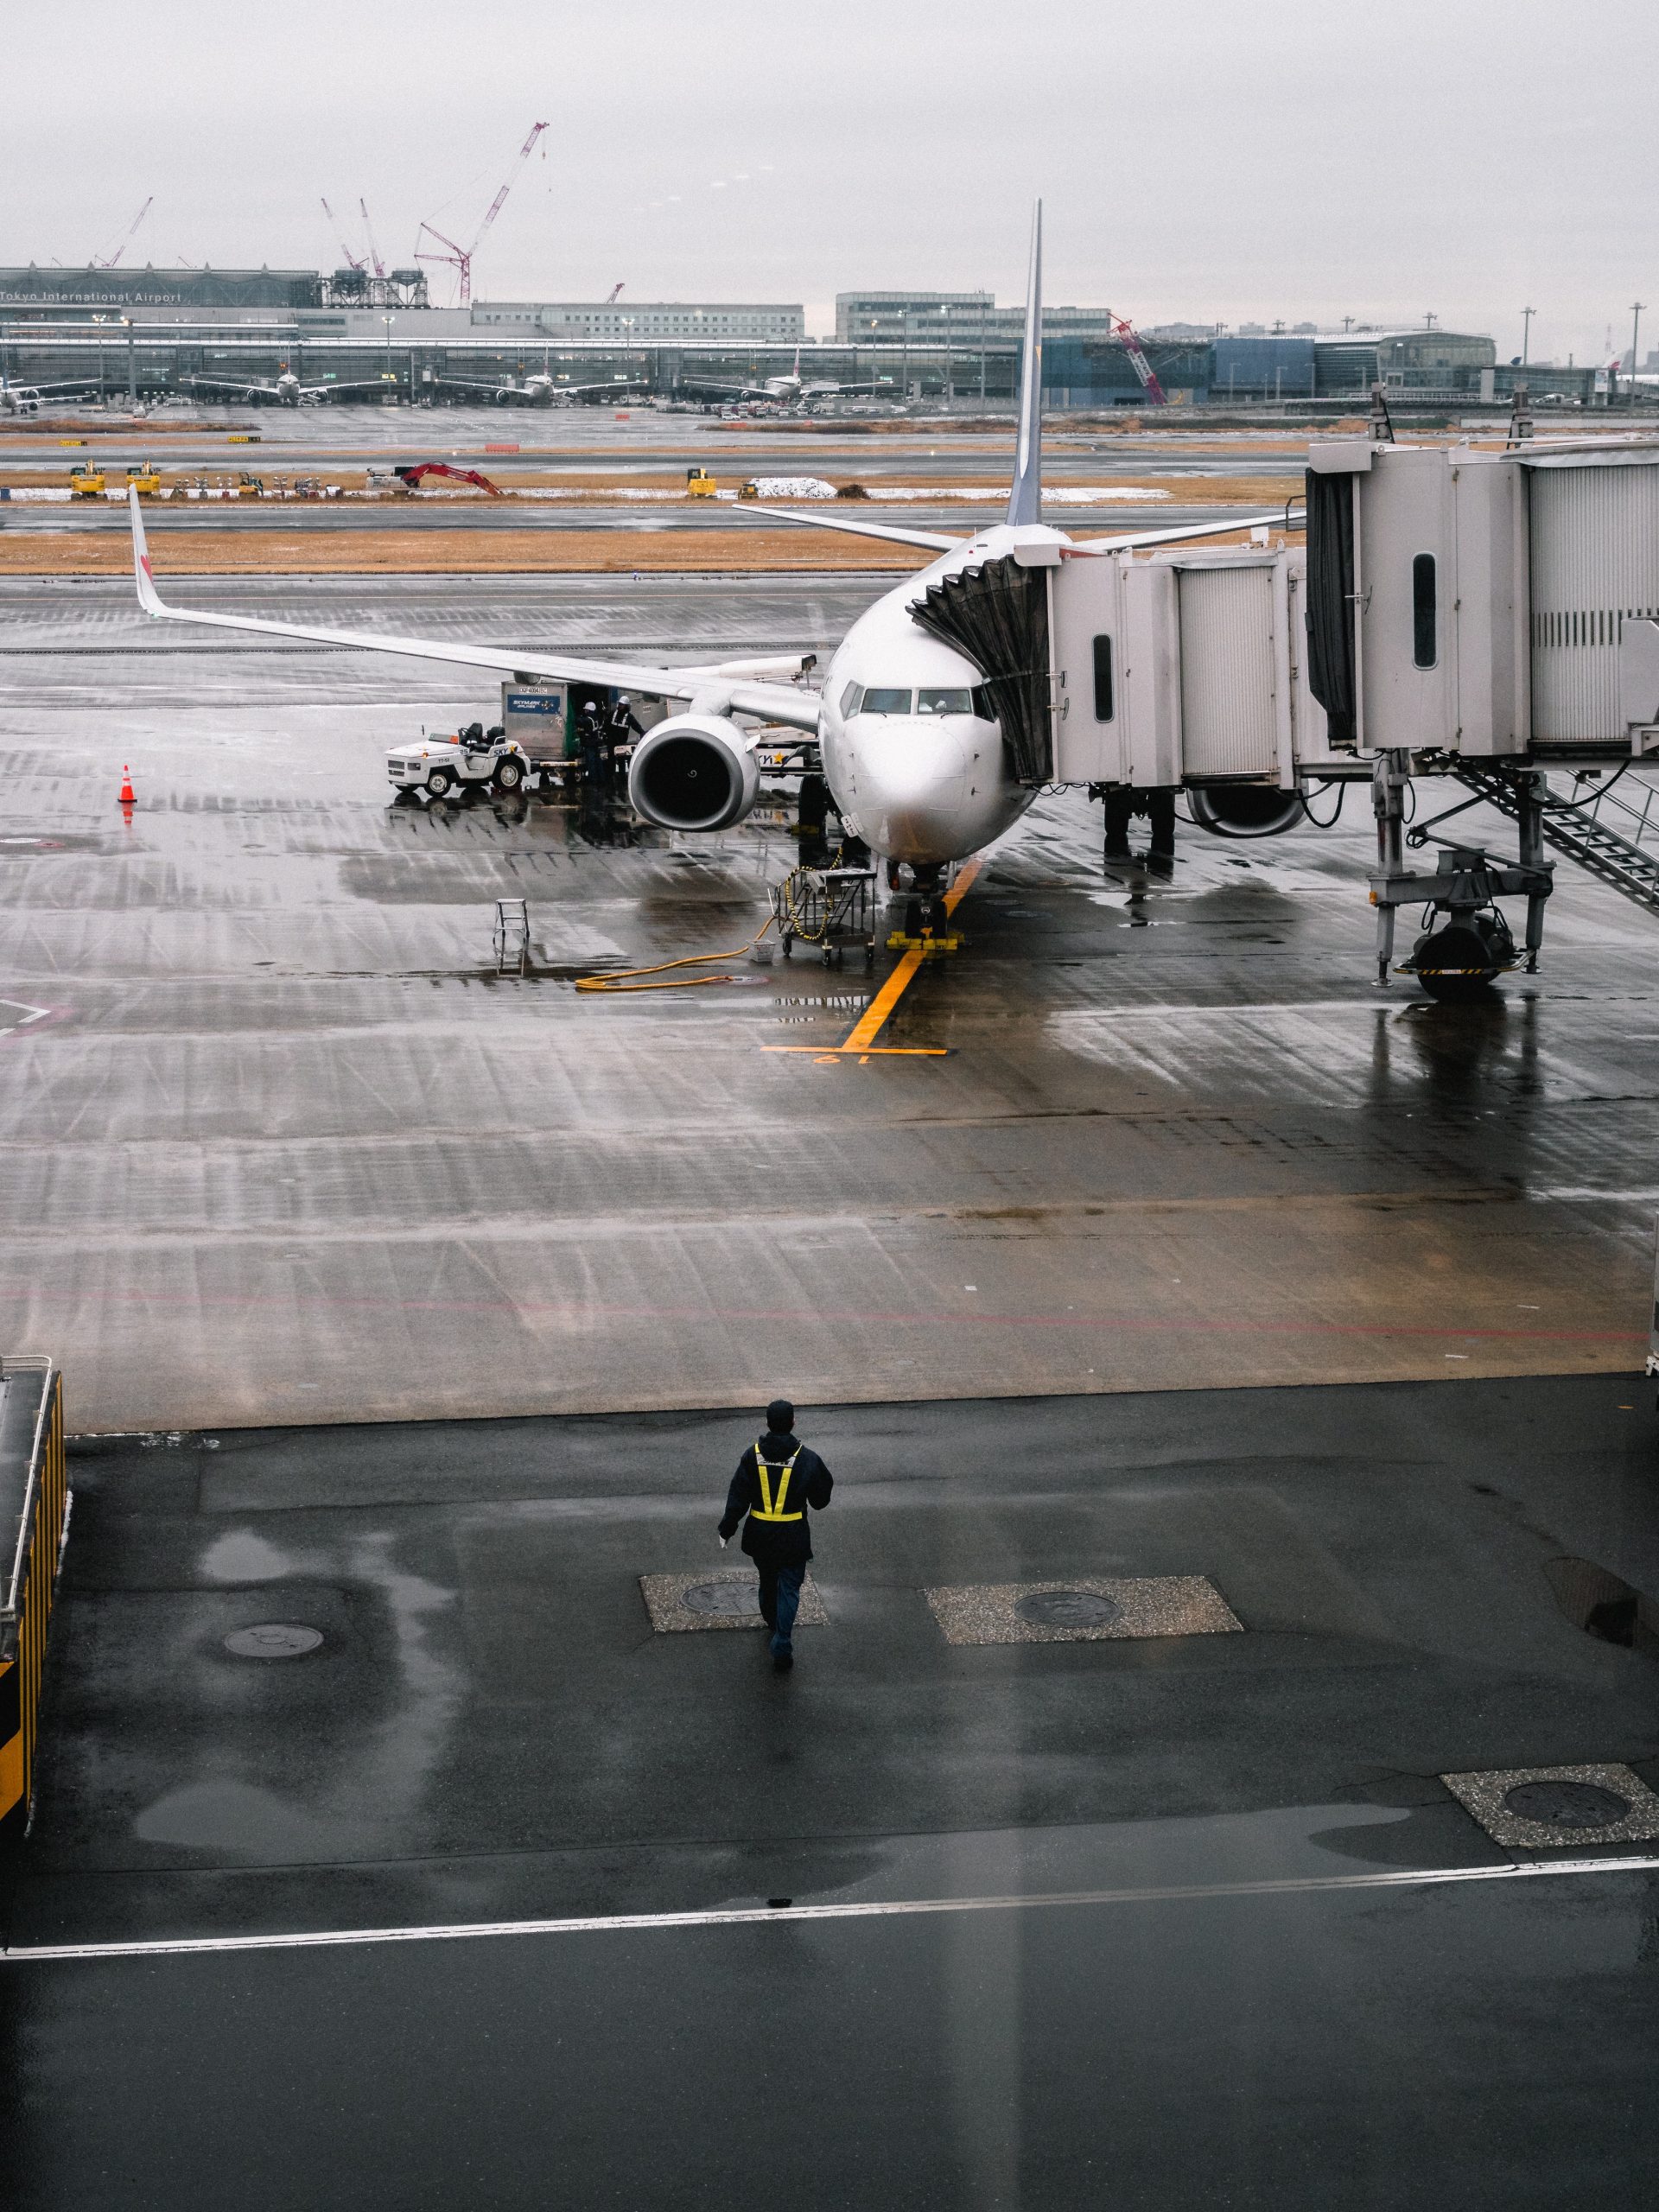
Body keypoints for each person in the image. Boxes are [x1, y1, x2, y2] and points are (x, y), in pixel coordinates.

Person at [717, 1400, 832, 1673]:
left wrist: (727, 1529)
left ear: (768, 1424)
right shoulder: (807, 1458)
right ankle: (782, 1640)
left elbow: (738, 1497)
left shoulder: (751, 1455)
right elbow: (820, 1500)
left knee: (768, 1582)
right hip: (793, 1538)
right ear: (793, 1422)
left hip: (759, 1537)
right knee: (789, 1588)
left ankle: (771, 1621)